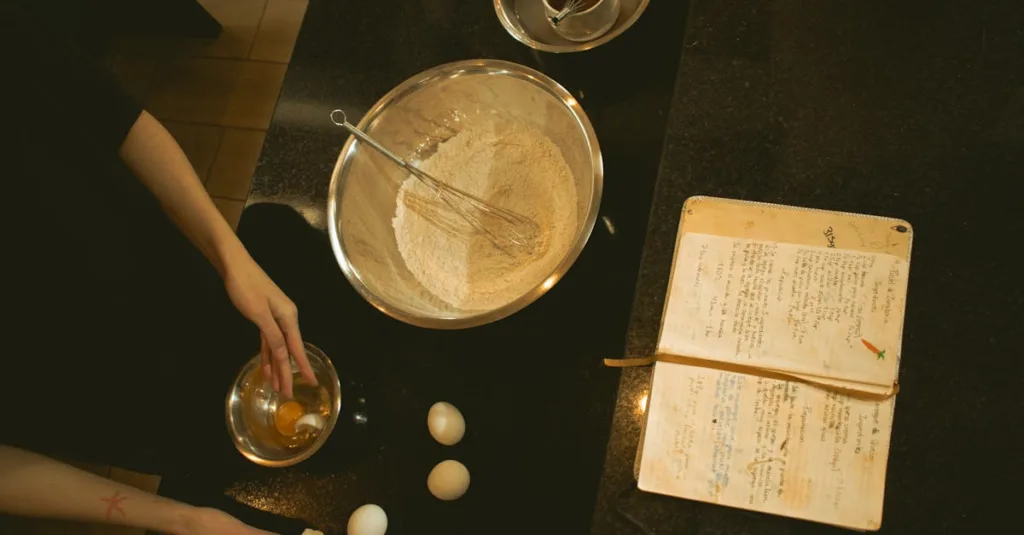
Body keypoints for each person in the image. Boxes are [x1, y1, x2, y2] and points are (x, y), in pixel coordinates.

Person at [1, 4, 313, 534]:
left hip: (169, 278)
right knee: (193, 447)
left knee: (247, 342)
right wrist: (184, 520)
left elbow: (119, 121)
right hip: (84, 403)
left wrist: (230, 257)